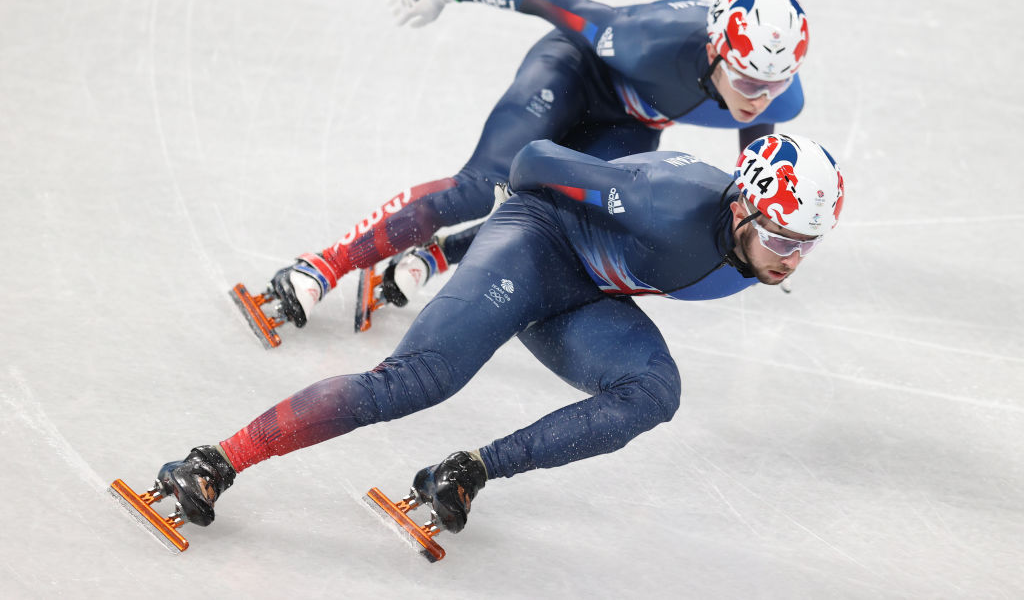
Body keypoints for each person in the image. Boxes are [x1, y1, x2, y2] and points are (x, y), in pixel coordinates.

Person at [157, 133, 844, 539]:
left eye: (807, 244)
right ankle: (216, 459)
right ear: (744, 204)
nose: (790, 257)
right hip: (531, 249)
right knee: (416, 383)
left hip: (583, 293)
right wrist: (449, 249)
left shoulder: (753, 246)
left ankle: (469, 469)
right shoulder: (666, 204)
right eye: (783, 235)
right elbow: (535, 164)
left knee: (654, 391)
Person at [260, 0, 811, 332]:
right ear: (715, 50)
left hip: (634, 120)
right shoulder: (647, 38)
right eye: (746, 80)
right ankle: (323, 265)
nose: (759, 97)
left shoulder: (774, 91)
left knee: (574, 214)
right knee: (482, 185)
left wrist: (766, 226)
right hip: (573, 70)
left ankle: (437, 255)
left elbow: (759, 153)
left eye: (776, 84)